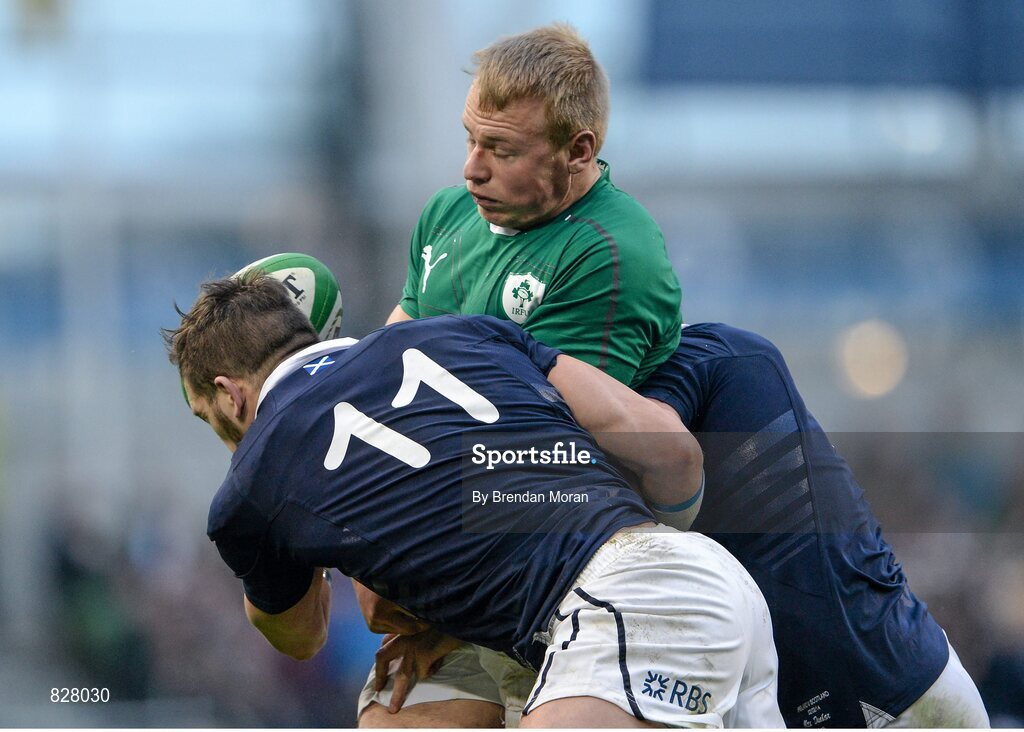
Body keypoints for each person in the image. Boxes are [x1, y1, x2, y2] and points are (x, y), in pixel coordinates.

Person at [164, 272, 784, 728]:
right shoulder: (465, 331)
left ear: (229, 395)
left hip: (626, 613)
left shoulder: (248, 486)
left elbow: (302, 636)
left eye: (206, 418)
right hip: (708, 577)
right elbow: (667, 449)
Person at [369, 322, 990, 728]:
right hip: (869, 675)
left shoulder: (704, 368)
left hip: (877, 691)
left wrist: (450, 615)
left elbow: (587, 511)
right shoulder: (710, 365)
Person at [387, 22, 681, 389]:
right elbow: (390, 360)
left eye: (502, 151)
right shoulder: (446, 214)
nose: (472, 170)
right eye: (471, 138)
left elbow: (532, 421)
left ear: (578, 151)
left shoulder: (608, 254)